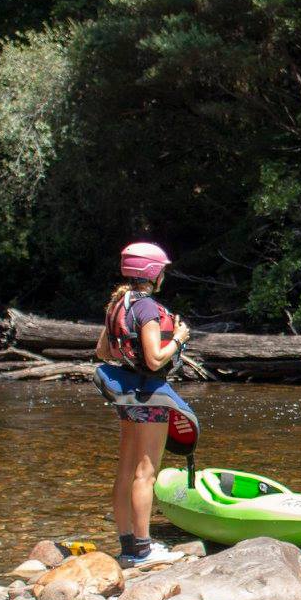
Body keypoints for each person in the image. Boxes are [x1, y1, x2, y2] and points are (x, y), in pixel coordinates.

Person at [94, 241, 195, 566]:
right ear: (152, 272)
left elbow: (103, 352)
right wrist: (179, 337)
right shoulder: (148, 308)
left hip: (127, 395)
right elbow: (154, 360)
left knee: (125, 471)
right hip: (150, 395)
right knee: (145, 474)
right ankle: (143, 549)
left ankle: (128, 547)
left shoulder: (117, 305)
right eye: (162, 269)